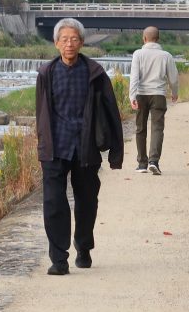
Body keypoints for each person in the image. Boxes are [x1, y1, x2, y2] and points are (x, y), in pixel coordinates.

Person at [35, 18, 124, 276]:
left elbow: (111, 112)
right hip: (55, 146)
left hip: (86, 147)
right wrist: (42, 145)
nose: (69, 44)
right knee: (54, 203)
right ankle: (59, 258)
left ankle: (83, 247)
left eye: (74, 39)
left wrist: (115, 152)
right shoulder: (46, 73)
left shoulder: (95, 73)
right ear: (56, 43)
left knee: (87, 201)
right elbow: (41, 113)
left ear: (82, 42)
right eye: (64, 39)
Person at [129, 26, 179, 175]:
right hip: (158, 95)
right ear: (158, 39)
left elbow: (134, 77)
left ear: (144, 39)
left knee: (140, 129)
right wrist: (174, 92)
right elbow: (174, 78)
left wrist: (132, 96)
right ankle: (154, 161)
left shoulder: (138, 54)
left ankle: (142, 164)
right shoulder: (166, 55)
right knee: (157, 128)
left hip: (141, 94)